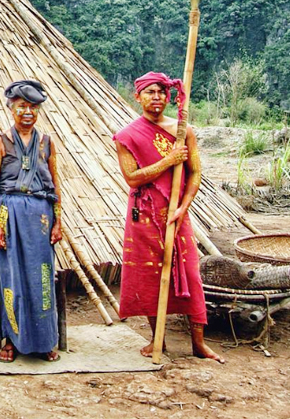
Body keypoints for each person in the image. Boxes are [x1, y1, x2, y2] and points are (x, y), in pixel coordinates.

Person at [113, 72, 225, 363]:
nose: (157, 97)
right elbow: (132, 178)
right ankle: (157, 338)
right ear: (138, 97)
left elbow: (196, 173)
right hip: (144, 215)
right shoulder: (127, 136)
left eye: (162, 92)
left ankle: (198, 343)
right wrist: (168, 161)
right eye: (150, 92)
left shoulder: (182, 131)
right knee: (150, 275)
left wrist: (183, 207)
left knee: (189, 273)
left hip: (175, 213)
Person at [0, 79, 63, 363]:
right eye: (22, 106)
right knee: (11, 278)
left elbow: (55, 181)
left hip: (41, 216)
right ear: (11, 109)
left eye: (33, 107)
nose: (28, 112)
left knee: (41, 277)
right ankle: (11, 340)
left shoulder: (46, 142)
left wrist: (58, 221)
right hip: (9, 214)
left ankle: (43, 340)